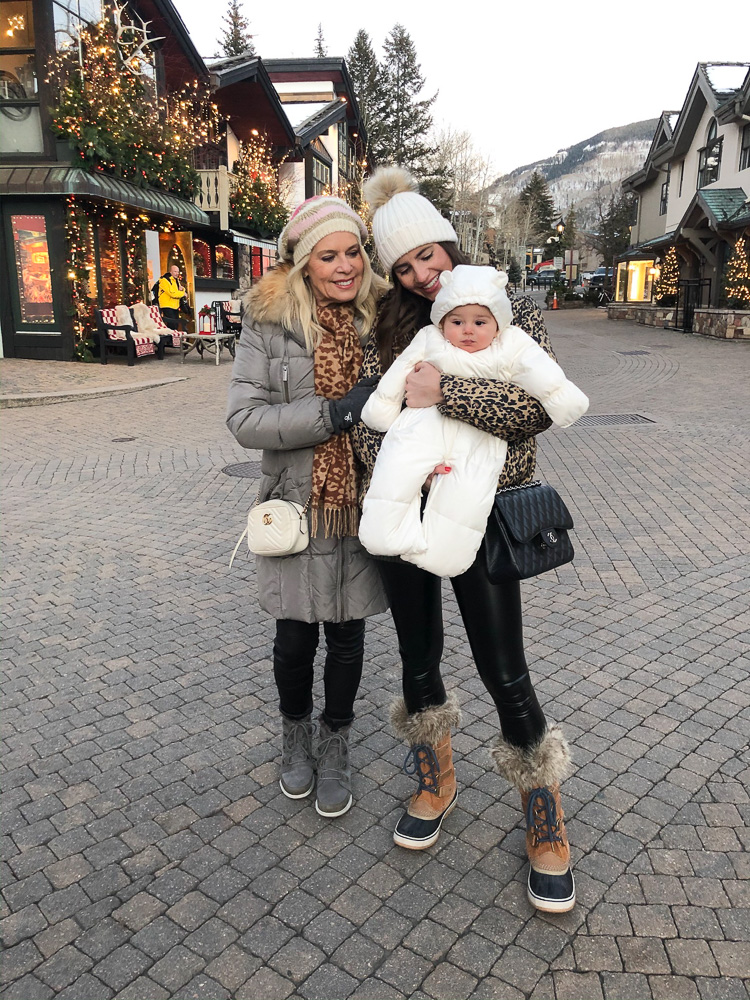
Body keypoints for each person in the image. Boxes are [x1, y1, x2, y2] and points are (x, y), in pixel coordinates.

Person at [351, 166, 578, 913]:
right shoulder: (390, 323)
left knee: (502, 666)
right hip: (404, 512)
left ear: (448, 240)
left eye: (428, 255)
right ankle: (434, 775)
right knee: (418, 656)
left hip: (484, 511)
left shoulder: (509, 307)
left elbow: (532, 410)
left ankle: (543, 810)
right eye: (406, 265)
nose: (422, 273)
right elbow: (371, 416)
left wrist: (445, 393)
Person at [226, 196, 387, 819]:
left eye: (353, 252)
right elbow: (244, 419)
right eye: (329, 255)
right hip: (296, 508)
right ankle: (296, 734)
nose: (345, 266)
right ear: (302, 262)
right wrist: (333, 413)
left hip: (360, 508)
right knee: (294, 639)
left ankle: (336, 740)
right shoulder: (268, 325)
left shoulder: (382, 319)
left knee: (348, 638)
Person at [359, 265, 588, 577]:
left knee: (465, 499)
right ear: (443, 321)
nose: (468, 330)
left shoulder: (510, 343)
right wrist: (382, 407)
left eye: (479, 322)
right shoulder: (430, 338)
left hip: (477, 439)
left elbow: (540, 374)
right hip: (421, 428)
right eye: (457, 322)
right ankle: (384, 536)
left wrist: (564, 400)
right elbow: (399, 371)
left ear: (496, 323)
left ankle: (444, 557)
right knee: (396, 471)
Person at [157, 265, 187, 330]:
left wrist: (183, 290)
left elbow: (179, 290)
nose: (177, 273)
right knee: (172, 325)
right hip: (167, 305)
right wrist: (183, 293)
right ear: (170, 272)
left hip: (175, 305)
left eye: (178, 272)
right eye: (175, 271)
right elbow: (172, 294)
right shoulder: (164, 281)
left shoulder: (176, 280)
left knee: (175, 325)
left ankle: (174, 339)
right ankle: (170, 339)